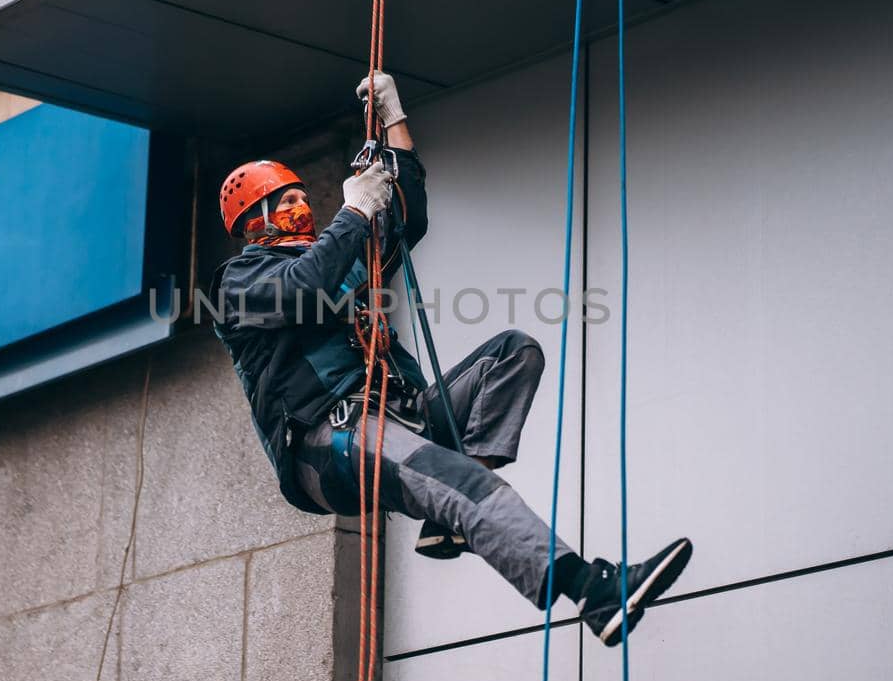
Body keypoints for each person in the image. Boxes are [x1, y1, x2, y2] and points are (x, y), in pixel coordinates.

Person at [211, 71, 692, 644]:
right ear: (254, 222)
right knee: (456, 481)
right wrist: (355, 212)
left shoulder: (337, 255)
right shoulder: (238, 284)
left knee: (513, 355)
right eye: (286, 201)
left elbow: (408, 221)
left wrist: (395, 122)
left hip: (395, 411)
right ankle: (589, 591)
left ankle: (447, 518)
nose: (302, 207)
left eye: (300, 197)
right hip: (330, 439)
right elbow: (303, 285)